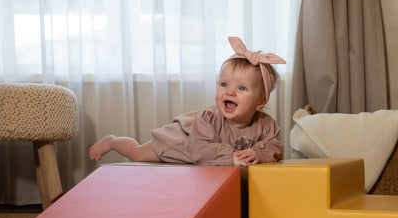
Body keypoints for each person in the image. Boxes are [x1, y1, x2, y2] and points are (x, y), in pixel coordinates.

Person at [89, 36, 285, 167]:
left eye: (241, 88)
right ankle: (114, 141)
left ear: (260, 102)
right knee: (138, 153)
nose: (230, 92)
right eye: (224, 84)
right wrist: (231, 156)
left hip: (207, 159)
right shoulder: (208, 119)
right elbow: (200, 149)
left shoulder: (265, 124)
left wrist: (258, 153)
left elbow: (275, 147)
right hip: (181, 142)